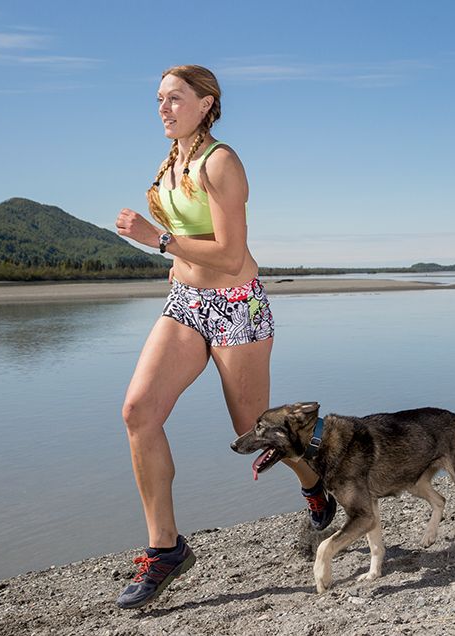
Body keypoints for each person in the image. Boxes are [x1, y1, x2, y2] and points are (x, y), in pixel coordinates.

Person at [112, 65, 336, 610]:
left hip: (238, 306)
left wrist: (156, 239)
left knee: (254, 431)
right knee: (138, 411)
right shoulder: (174, 161)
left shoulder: (221, 161)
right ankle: (165, 549)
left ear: (207, 103)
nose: (162, 108)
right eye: (159, 99)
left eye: (174, 98)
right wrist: (175, 261)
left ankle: (318, 489)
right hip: (187, 304)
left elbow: (232, 255)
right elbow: (195, 240)